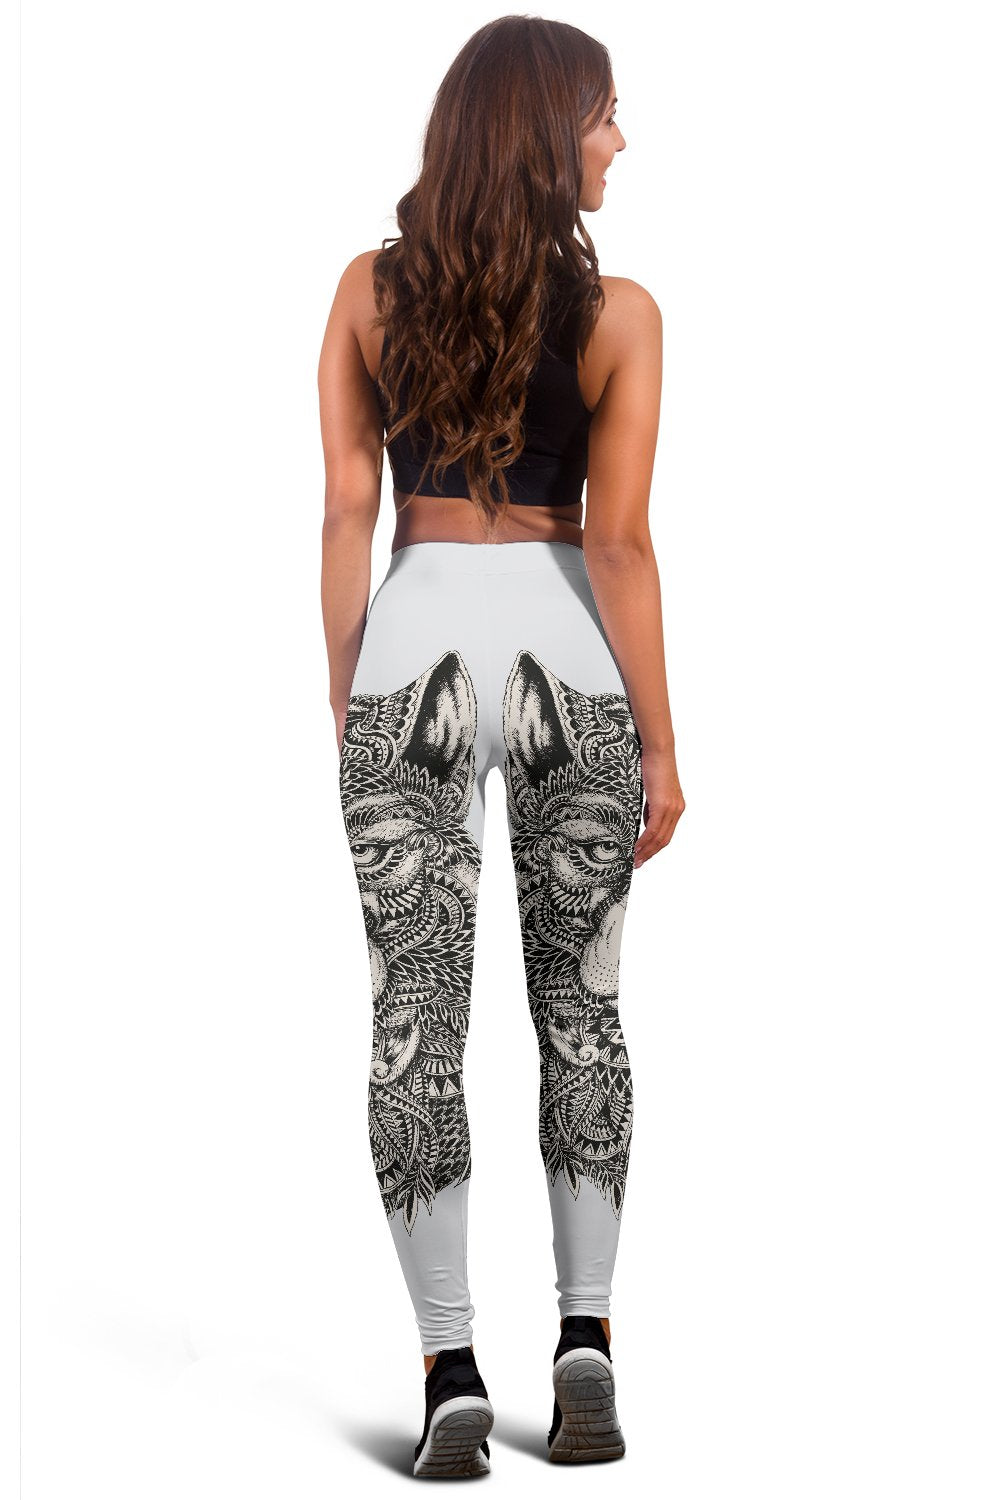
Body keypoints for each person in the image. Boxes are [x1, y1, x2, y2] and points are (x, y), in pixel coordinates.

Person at [318, 15, 684, 1478]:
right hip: (564, 647)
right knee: (581, 1010)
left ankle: (450, 1369)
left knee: (415, 1017)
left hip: (410, 643)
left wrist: (349, 694)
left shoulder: (366, 291)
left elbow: (348, 513)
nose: (619, 141)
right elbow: (624, 544)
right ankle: (585, 1340)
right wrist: (663, 747)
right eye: (602, 115)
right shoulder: (621, 316)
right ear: (543, 131)